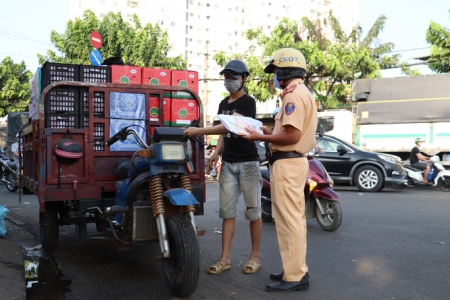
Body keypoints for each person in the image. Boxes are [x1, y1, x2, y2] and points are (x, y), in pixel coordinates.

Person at [242, 48, 317, 292]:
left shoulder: (292, 96)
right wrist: (268, 133)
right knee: (293, 220)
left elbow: (292, 134)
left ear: (285, 70)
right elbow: (287, 132)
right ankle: (295, 269)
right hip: (291, 162)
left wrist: (255, 137)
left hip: (288, 163)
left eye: (275, 71)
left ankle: (294, 276)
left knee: (289, 221)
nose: (273, 76)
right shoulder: (301, 92)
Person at [184, 59, 263, 275]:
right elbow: (224, 134)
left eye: (233, 77)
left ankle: (255, 257)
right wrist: (216, 153)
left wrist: (198, 132)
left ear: (244, 79)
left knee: (253, 211)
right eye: (226, 76)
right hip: (228, 164)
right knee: (227, 213)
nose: (229, 81)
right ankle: (224, 258)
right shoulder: (222, 104)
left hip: (248, 163)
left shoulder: (248, 102)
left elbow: (230, 125)